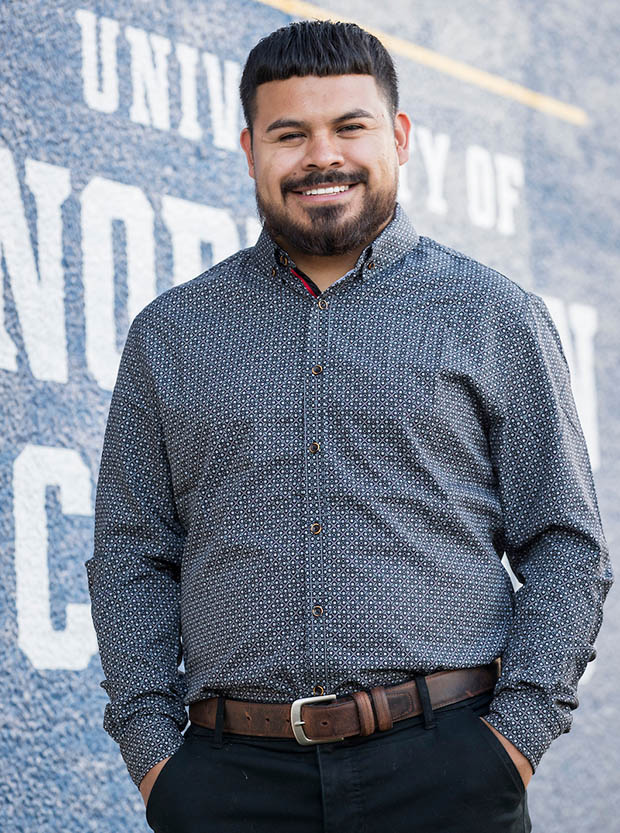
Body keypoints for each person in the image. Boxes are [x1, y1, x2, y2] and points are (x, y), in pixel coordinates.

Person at [85, 19, 613, 833]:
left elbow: (566, 543)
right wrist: (158, 760)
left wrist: (513, 740)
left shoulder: (493, 314)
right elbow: (131, 553)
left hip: (447, 775)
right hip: (229, 784)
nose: (320, 156)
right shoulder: (172, 334)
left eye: (349, 127)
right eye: (289, 133)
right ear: (250, 147)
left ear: (399, 137)